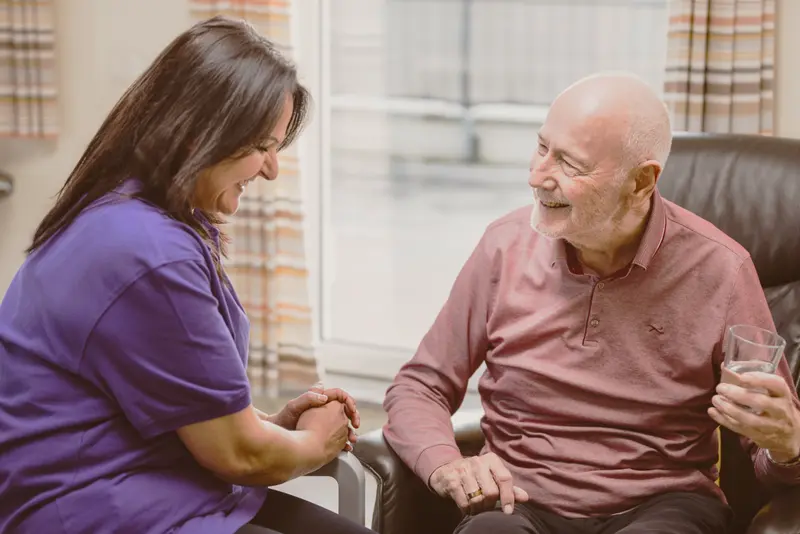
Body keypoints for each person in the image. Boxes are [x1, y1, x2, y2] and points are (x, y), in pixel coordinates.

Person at [0, 16, 373, 534]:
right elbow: (238, 458)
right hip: (95, 509)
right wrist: (312, 443)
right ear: (203, 133)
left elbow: (156, 402)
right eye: (264, 146)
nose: (271, 169)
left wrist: (266, 426)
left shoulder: (122, 212)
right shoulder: (148, 252)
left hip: (149, 486)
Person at [382, 72, 800, 534]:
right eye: (542, 148)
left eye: (570, 164)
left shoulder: (722, 269)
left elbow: (770, 454)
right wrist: (446, 464)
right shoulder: (505, 246)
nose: (537, 176)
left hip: (662, 507)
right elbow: (418, 386)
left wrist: (788, 446)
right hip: (518, 502)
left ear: (642, 181)